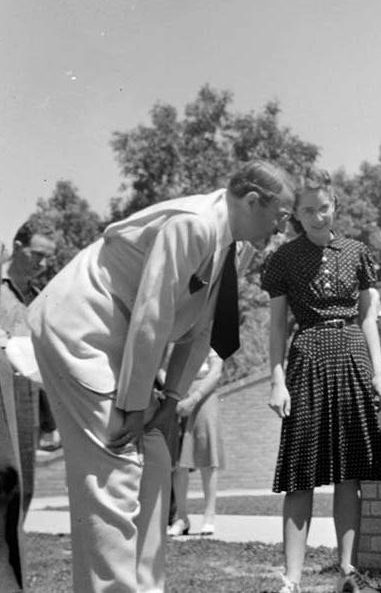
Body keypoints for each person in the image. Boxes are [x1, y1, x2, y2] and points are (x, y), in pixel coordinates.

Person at [28, 160, 295, 593]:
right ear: (251, 201)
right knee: (113, 466)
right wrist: (133, 405)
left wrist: (170, 400)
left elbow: (203, 328)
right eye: (281, 217)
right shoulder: (193, 226)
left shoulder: (238, 247)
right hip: (81, 328)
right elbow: (153, 314)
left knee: (154, 453)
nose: (281, 231)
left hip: (125, 337)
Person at [263, 168, 381, 593]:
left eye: (324, 208)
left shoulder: (356, 252)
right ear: (296, 214)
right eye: (307, 210)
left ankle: (347, 572)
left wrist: (379, 371)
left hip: (353, 353)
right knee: (300, 472)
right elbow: (278, 327)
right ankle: (292, 579)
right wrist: (276, 381)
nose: (317, 216)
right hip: (309, 358)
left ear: (335, 206)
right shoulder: (283, 258)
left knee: (349, 472)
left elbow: (370, 317)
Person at [0, 223, 55, 590]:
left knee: (24, 493)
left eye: (47, 258)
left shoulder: (37, 296)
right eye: (36, 255)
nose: (41, 264)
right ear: (16, 247)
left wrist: (49, 421)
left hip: (28, 406)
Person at [166, 351, 225, 537]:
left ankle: (209, 516)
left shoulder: (213, 340)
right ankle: (181, 518)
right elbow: (161, 367)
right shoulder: (173, 335)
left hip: (205, 398)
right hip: (178, 396)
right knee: (178, 461)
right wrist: (174, 391)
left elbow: (215, 372)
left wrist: (195, 397)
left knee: (208, 458)